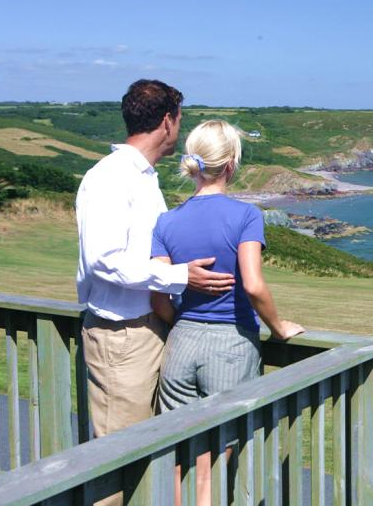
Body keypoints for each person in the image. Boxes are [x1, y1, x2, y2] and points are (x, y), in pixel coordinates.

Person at [150, 119, 304, 505]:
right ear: (231, 164)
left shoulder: (166, 221)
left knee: (177, 457)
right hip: (230, 345)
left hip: (181, 344)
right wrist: (279, 326)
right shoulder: (245, 216)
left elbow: (159, 298)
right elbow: (252, 285)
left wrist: (185, 324)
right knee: (213, 464)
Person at [76, 79, 235, 439]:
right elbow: (104, 259)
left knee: (147, 453)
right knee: (120, 454)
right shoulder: (111, 177)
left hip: (148, 326)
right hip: (123, 334)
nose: (179, 129)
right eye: (179, 120)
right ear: (167, 121)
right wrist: (181, 277)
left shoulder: (142, 178)